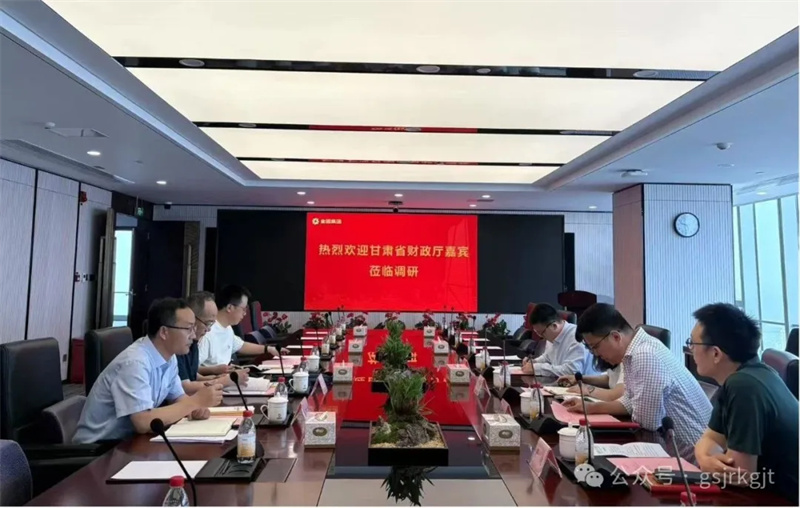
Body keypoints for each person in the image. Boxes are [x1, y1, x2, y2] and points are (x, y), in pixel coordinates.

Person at [562, 303, 711, 451]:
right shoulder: (634, 352)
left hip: (694, 455)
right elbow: (630, 401)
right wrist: (590, 407)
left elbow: (648, 423)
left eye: (595, 347)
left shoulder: (645, 355)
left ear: (615, 337)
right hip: (674, 446)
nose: (595, 354)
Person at [73, 298, 223, 444]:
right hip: (98, 449)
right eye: (188, 329)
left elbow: (178, 397)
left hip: (130, 441)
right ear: (164, 332)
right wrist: (195, 401)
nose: (193, 335)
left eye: (194, 328)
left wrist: (196, 408)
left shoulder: (169, 358)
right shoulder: (135, 362)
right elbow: (143, 421)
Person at [690, 303, 798, 503]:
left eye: (693, 343)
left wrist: (706, 460)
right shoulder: (754, 373)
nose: (690, 350)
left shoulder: (743, 386)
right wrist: (705, 459)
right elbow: (710, 439)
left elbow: (740, 475)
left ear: (716, 353)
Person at [197, 285, 286, 375]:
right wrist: (215, 370)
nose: (245, 313)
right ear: (229, 308)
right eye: (243, 309)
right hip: (215, 379)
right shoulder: (207, 333)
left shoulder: (227, 327)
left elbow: (241, 346)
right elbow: (193, 369)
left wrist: (269, 349)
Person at [177, 291, 250, 394]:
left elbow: (191, 375)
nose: (209, 330)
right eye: (208, 323)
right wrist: (224, 380)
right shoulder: (178, 345)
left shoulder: (193, 343)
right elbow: (185, 387)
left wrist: (215, 378)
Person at [521, 304, 583, 377]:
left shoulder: (576, 337)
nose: (541, 337)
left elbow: (572, 371)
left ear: (554, 326)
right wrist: (534, 362)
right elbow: (547, 357)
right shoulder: (552, 336)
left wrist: (537, 368)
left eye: (542, 333)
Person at [557, 354, 625, 402]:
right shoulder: (613, 359)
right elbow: (610, 379)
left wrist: (588, 389)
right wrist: (580, 379)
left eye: (595, 346)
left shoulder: (627, 358)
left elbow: (614, 396)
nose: (594, 352)